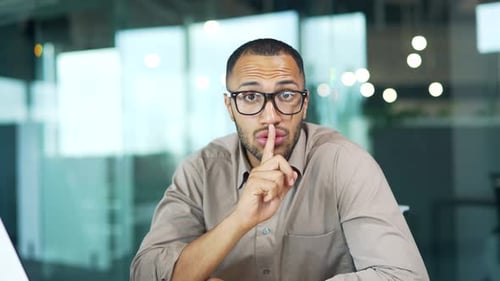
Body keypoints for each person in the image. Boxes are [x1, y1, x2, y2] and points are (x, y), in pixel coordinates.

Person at [130, 38, 429, 281]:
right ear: (229, 106)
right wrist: (238, 220)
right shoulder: (201, 169)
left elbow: (405, 277)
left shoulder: (344, 163)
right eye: (250, 97)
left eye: (286, 95)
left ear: (305, 102)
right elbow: (145, 273)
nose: (270, 117)